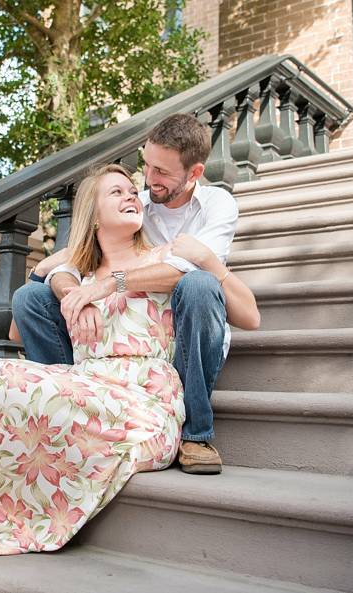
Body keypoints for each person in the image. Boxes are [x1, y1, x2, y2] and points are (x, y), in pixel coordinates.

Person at [0, 165, 259, 558]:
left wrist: (108, 286)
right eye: (115, 192)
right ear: (92, 214)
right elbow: (17, 330)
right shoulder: (75, 274)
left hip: (145, 399)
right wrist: (66, 290)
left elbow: (239, 309)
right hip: (88, 384)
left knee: (6, 387)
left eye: (130, 190)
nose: (131, 196)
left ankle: (2, 506)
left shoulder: (167, 256)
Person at [13, 113, 245, 474]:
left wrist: (108, 285)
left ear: (194, 173)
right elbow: (68, 259)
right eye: (146, 166)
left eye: (162, 172)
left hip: (186, 338)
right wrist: (75, 292)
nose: (147, 182)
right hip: (100, 373)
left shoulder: (217, 206)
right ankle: (53, 411)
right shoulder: (138, 202)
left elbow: (190, 270)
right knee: (28, 301)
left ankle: (196, 433)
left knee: (199, 286)